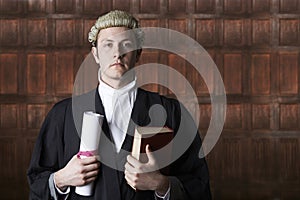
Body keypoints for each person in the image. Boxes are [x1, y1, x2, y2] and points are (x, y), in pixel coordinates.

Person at [27, 10, 212, 200]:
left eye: (126, 44)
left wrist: (161, 184)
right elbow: (37, 183)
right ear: (96, 54)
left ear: (138, 53)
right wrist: (61, 179)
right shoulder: (63, 114)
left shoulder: (173, 113)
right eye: (108, 45)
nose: (117, 53)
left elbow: (199, 184)